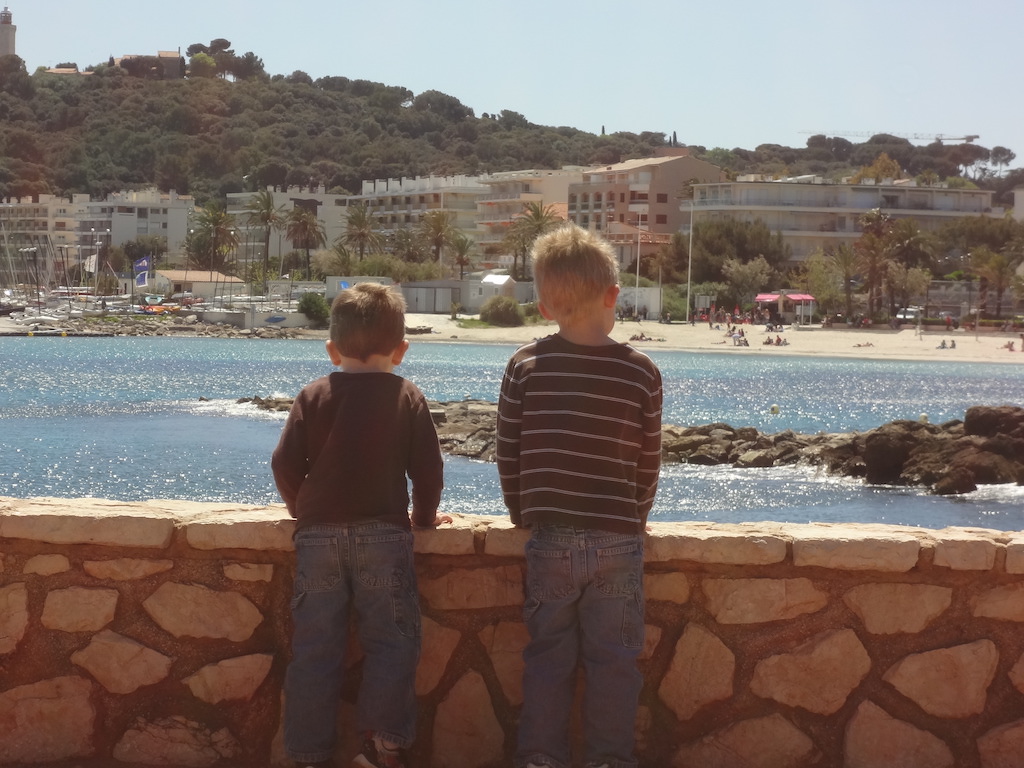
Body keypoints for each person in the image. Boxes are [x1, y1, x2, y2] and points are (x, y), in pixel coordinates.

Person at [496, 225, 663, 768]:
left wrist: (522, 513)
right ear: (614, 294)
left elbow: (509, 452)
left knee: (548, 660)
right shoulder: (641, 373)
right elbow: (647, 461)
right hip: (618, 540)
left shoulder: (524, 366)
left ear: (544, 305)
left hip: (550, 539)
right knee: (615, 663)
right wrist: (635, 520)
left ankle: (540, 758)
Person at [272, 283, 448, 768]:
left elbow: (284, 464)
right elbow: (428, 469)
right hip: (384, 537)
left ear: (331, 349)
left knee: (314, 649)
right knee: (392, 642)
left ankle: (307, 752)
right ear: (401, 350)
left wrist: (299, 509)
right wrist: (425, 519)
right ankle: (381, 746)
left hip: (318, 536)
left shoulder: (313, 394)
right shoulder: (406, 395)